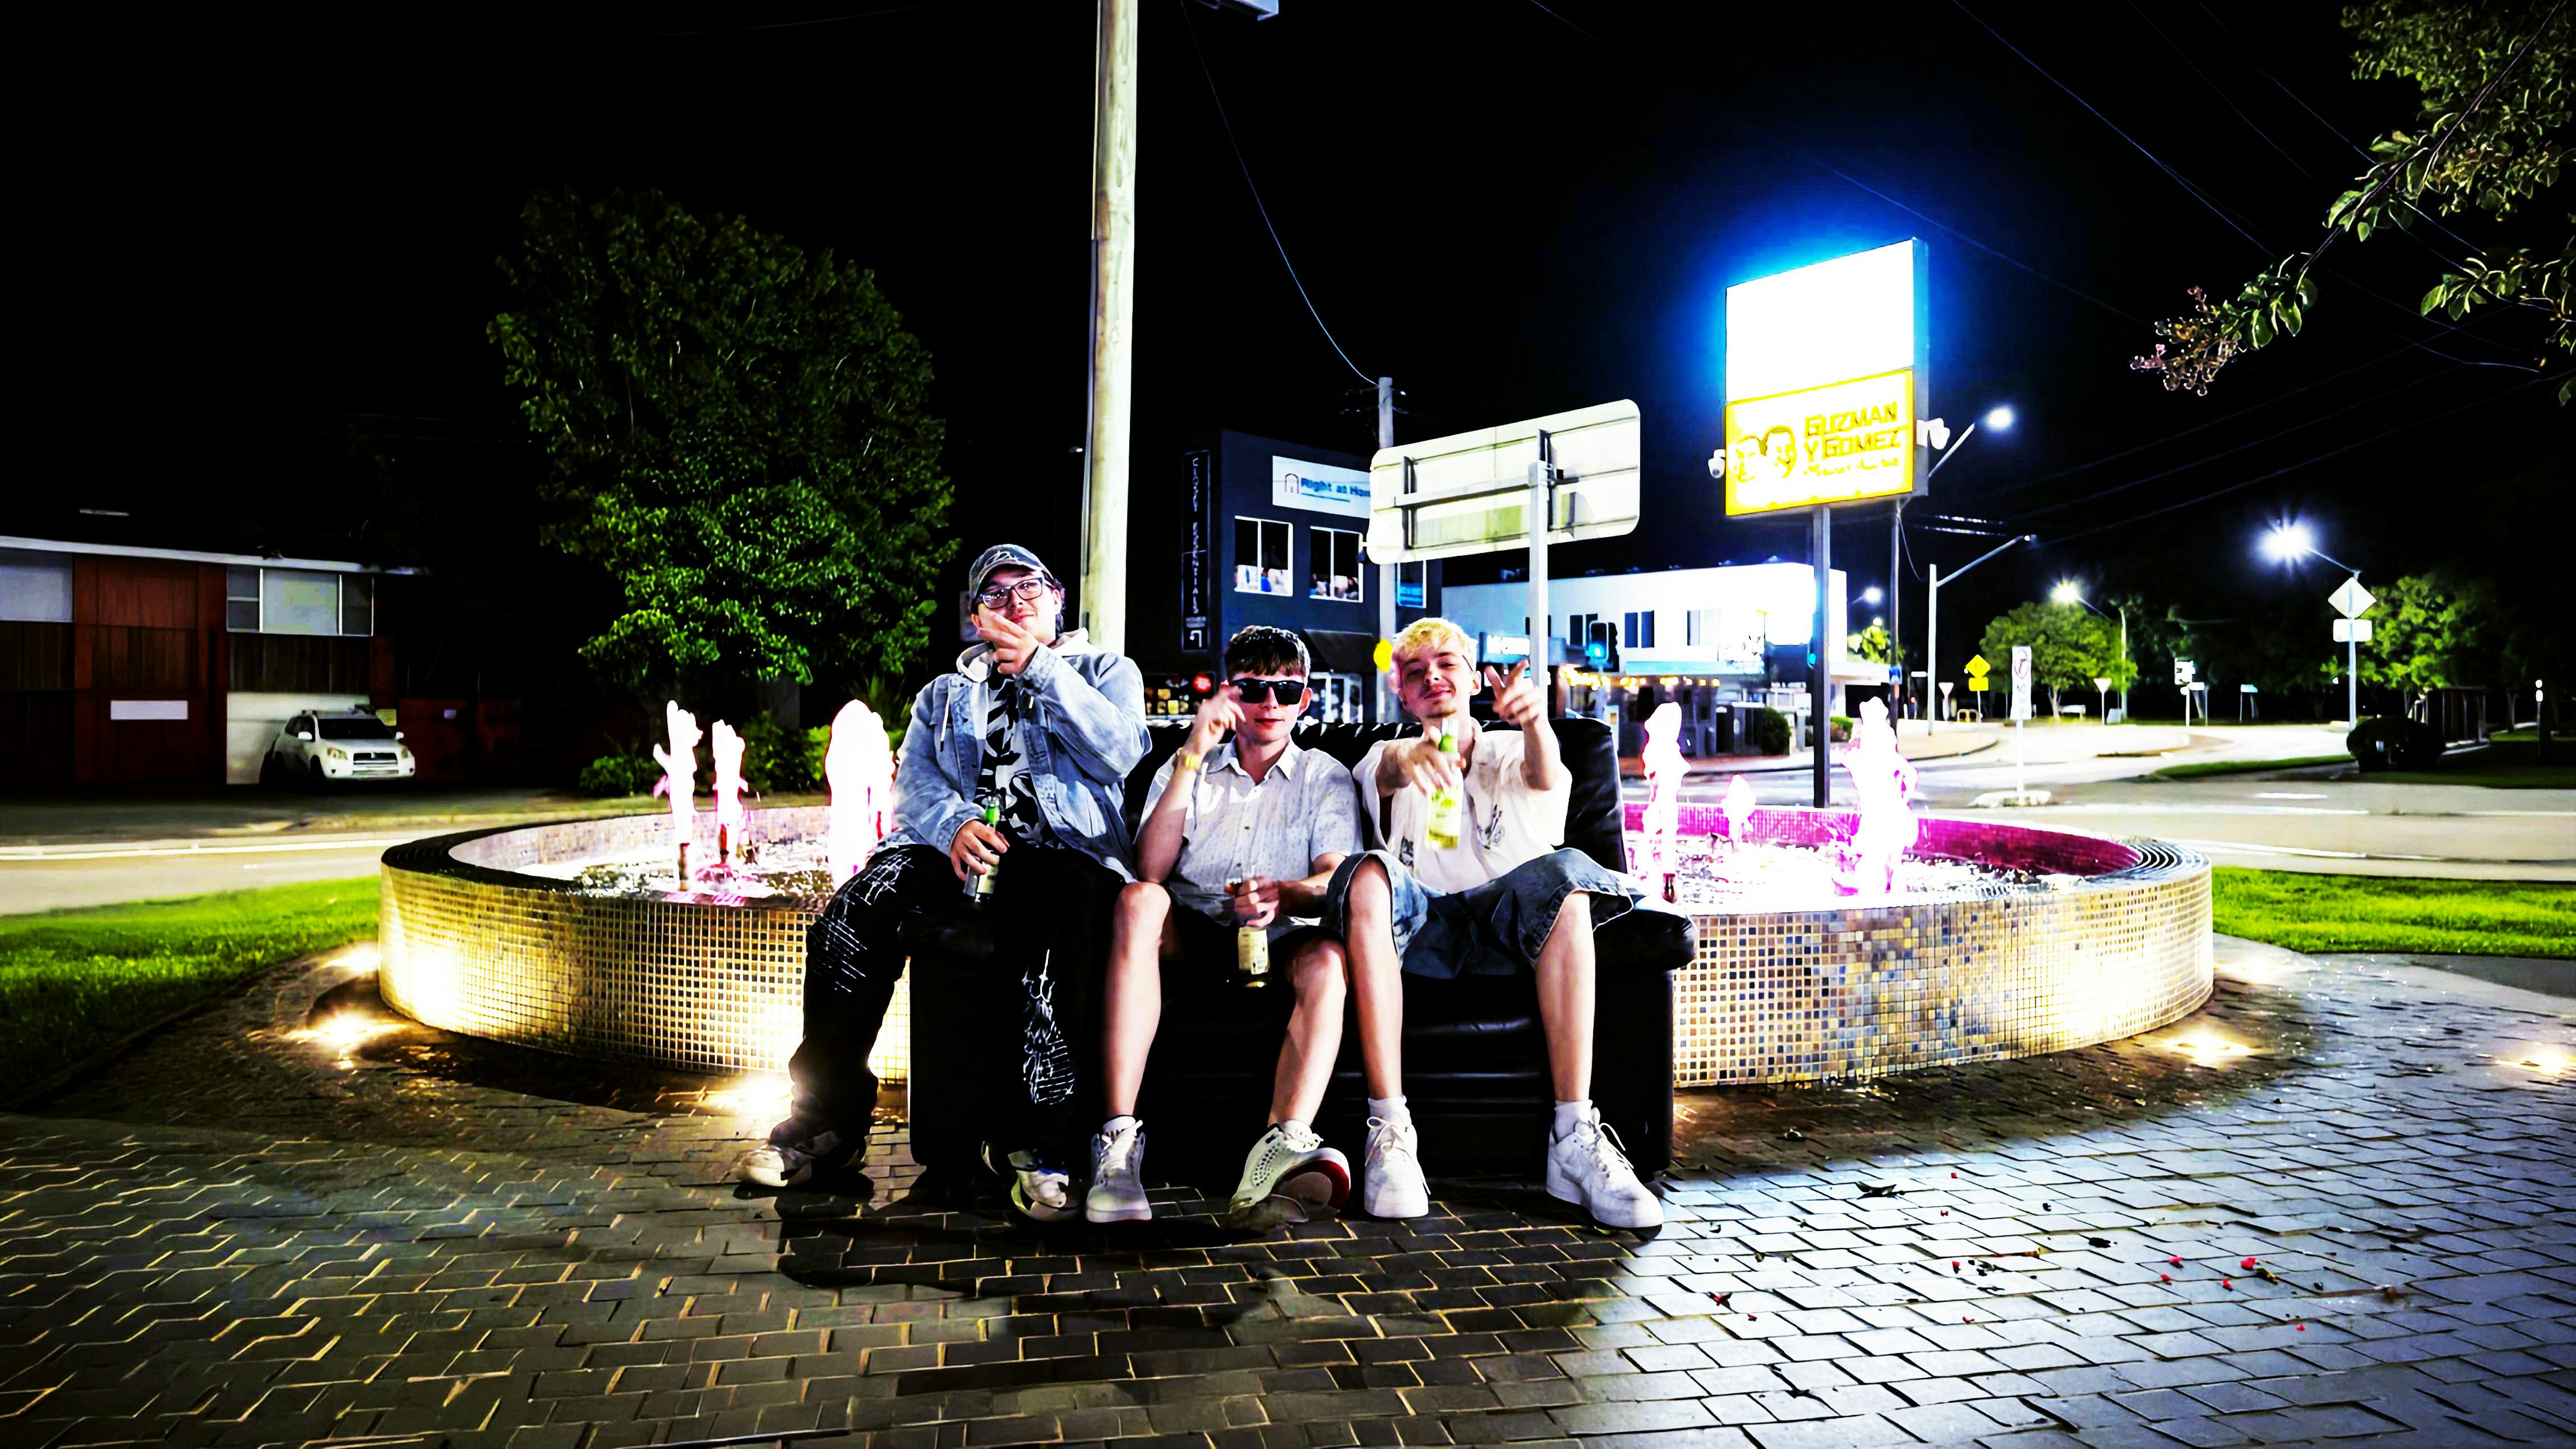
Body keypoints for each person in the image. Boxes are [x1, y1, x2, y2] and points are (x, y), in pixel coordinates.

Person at [740, 545, 1148, 1221]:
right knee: (851, 915)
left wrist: (1042, 668)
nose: (1013, 603)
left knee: (1054, 924)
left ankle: (1041, 1146)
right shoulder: (945, 692)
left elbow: (1121, 753)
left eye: (1029, 589)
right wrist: (954, 824)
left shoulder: (1103, 671)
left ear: (1057, 600)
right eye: (995, 593)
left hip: (1060, 849)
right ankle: (825, 1123)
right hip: (955, 849)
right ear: (975, 616)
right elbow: (914, 783)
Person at [1323, 617, 1664, 1229]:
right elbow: (1388, 770)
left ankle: (1574, 1135)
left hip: (1510, 925)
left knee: (1568, 883)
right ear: (1401, 691)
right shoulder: (1383, 755)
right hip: (1420, 925)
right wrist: (1415, 753)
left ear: (1474, 678)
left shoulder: (1513, 748)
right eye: (1416, 670)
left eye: (1446, 663)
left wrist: (1534, 723)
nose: (1432, 676)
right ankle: (1390, 1129)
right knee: (1366, 876)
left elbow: (1542, 775)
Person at [1086, 626, 1364, 1227]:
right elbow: (1151, 867)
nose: (1270, 704)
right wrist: (1193, 751)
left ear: (1305, 699)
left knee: (1329, 959)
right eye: (1254, 689)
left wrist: (1283, 893)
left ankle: (1282, 1144)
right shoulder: (1189, 764)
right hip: (1195, 930)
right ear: (1229, 694)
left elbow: (1334, 878)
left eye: (1285, 691)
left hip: (1281, 936)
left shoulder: (1325, 775)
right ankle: (1117, 1142)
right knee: (1138, 900)